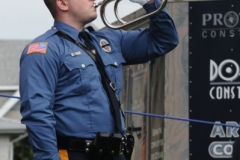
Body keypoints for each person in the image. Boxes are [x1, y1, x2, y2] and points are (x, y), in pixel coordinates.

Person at [19, 0, 179, 159]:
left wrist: (150, 3)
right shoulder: (44, 50)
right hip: (76, 153)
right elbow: (37, 112)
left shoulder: (110, 40)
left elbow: (164, 40)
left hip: (116, 153)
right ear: (62, 3)